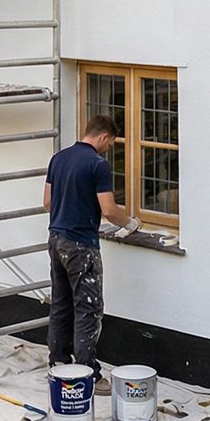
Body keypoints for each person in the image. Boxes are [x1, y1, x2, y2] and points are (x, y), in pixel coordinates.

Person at [43, 115, 138, 379]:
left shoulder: (58, 158)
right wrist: (130, 223)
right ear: (104, 136)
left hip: (56, 239)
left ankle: (59, 364)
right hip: (81, 245)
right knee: (88, 307)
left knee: (61, 303)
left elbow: (48, 202)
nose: (109, 148)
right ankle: (87, 373)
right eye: (111, 143)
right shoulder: (97, 164)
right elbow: (108, 210)